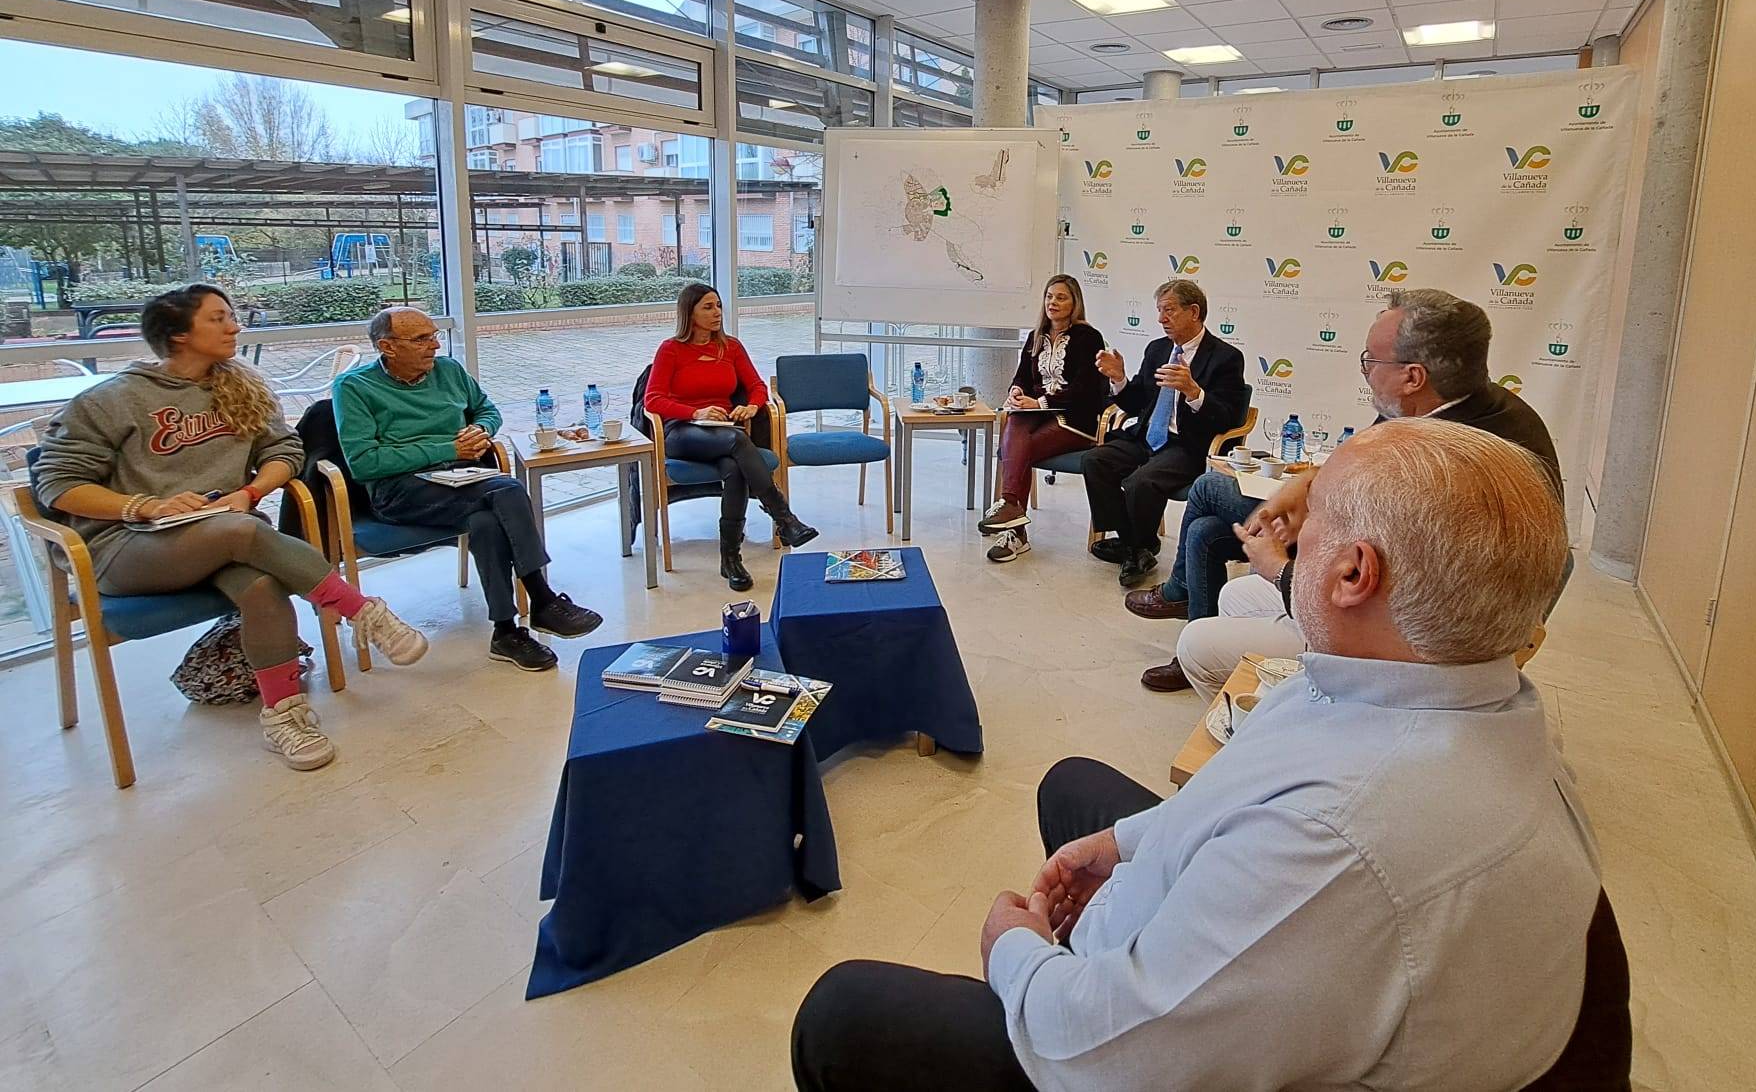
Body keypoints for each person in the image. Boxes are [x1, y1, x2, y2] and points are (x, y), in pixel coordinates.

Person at [790, 419, 1608, 1091]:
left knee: (842, 1015)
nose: (1284, 529)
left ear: (1356, 572)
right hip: (1226, 932)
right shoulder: (1439, 692)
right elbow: (1253, 786)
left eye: (1307, 520)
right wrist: (1125, 846)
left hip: (1124, 1050)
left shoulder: (1333, 848)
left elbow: (1107, 1060)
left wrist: (1013, 951)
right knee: (1074, 789)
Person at [32, 283, 428, 771]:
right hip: (127, 548)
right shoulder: (110, 400)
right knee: (241, 531)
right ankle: (361, 611)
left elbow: (285, 452)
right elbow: (57, 485)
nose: (234, 327)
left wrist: (250, 492)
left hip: (224, 536)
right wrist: (147, 507)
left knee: (262, 585)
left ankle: (283, 715)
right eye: (217, 318)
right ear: (177, 333)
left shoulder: (240, 387)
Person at [1164, 287, 1565, 695]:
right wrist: (1304, 485)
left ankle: (1291, 729)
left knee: (1198, 635)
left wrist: (1281, 570)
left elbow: (1379, 594)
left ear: (1413, 376)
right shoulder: (1438, 407)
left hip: (1412, 652)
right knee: (1223, 568)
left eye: (1370, 361)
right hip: (1391, 606)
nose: (1365, 371)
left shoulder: (1449, 463)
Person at [332, 306, 602, 673]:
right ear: (387, 347)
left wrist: (482, 430)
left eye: (434, 335)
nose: (434, 345)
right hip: (400, 490)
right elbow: (363, 462)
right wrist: (447, 449)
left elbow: (487, 410)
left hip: (463, 481)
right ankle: (541, 598)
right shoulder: (354, 387)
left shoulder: (449, 371)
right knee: (507, 489)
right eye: (421, 339)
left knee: (486, 523)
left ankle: (505, 632)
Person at [644, 282, 818, 592]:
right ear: (689, 313)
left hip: (722, 432)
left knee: (735, 468)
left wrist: (751, 407)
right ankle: (784, 517)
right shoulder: (670, 349)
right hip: (681, 432)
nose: (717, 313)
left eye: (718, 306)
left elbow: (757, 386)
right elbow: (653, 400)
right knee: (738, 442)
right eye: (707, 307)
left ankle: (730, 560)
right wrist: (696, 413)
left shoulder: (731, 347)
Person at [1079, 278, 1248, 590]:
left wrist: (1194, 391)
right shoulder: (1157, 349)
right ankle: (1136, 546)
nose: (1161, 319)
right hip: (1146, 436)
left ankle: (1133, 548)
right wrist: (1118, 379)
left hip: (1188, 445)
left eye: (1169, 310)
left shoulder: (1226, 357)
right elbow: (1137, 401)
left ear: (1194, 311)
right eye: (1159, 311)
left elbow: (1228, 417)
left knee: (1140, 482)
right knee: (1095, 461)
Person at [977, 275, 1109, 565]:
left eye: (1061, 297)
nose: (1053, 303)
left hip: (1077, 420)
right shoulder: (1036, 334)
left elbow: (1086, 390)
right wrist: (1016, 392)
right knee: (1015, 422)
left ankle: (1013, 525)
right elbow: (1022, 375)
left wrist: (1040, 402)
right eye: (1049, 296)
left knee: (1016, 449)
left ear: (1075, 302)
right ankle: (1012, 513)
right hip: (1037, 415)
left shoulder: (1089, 337)